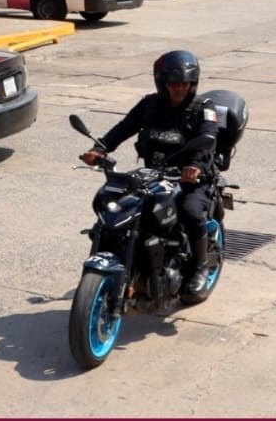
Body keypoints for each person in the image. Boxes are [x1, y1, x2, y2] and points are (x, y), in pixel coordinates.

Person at [79, 49, 221, 292]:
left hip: (191, 178)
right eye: (173, 84)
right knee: (115, 204)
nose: (179, 89)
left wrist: (195, 166)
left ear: (192, 83)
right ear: (162, 83)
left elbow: (208, 139)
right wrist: (99, 149)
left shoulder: (204, 108)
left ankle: (200, 267)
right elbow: (124, 128)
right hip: (154, 176)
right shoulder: (149, 104)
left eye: (184, 84)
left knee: (190, 211)